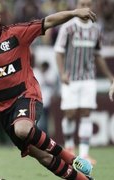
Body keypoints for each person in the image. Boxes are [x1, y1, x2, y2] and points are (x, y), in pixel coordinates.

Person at [0, 1, 103, 179]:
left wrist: (74, 13)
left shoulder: (16, 34)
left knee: (23, 129)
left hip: (26, 96)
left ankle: (70, 157)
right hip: (4, 112)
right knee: (44, 157)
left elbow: (47, 21)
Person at [54, 0, 114, 165]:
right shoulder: (68, 27)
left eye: (88, 4)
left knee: (86, 113)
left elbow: (98, 54)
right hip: (70, 77)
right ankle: (69, 148)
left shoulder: (96, 28)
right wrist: (61, 74)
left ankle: (84, 154)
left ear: (93, 6)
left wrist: (110, 77)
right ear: (77, 6)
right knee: (71, 113)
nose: (85, 7)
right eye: (82, 4)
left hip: (88, 78)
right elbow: (58, 51)